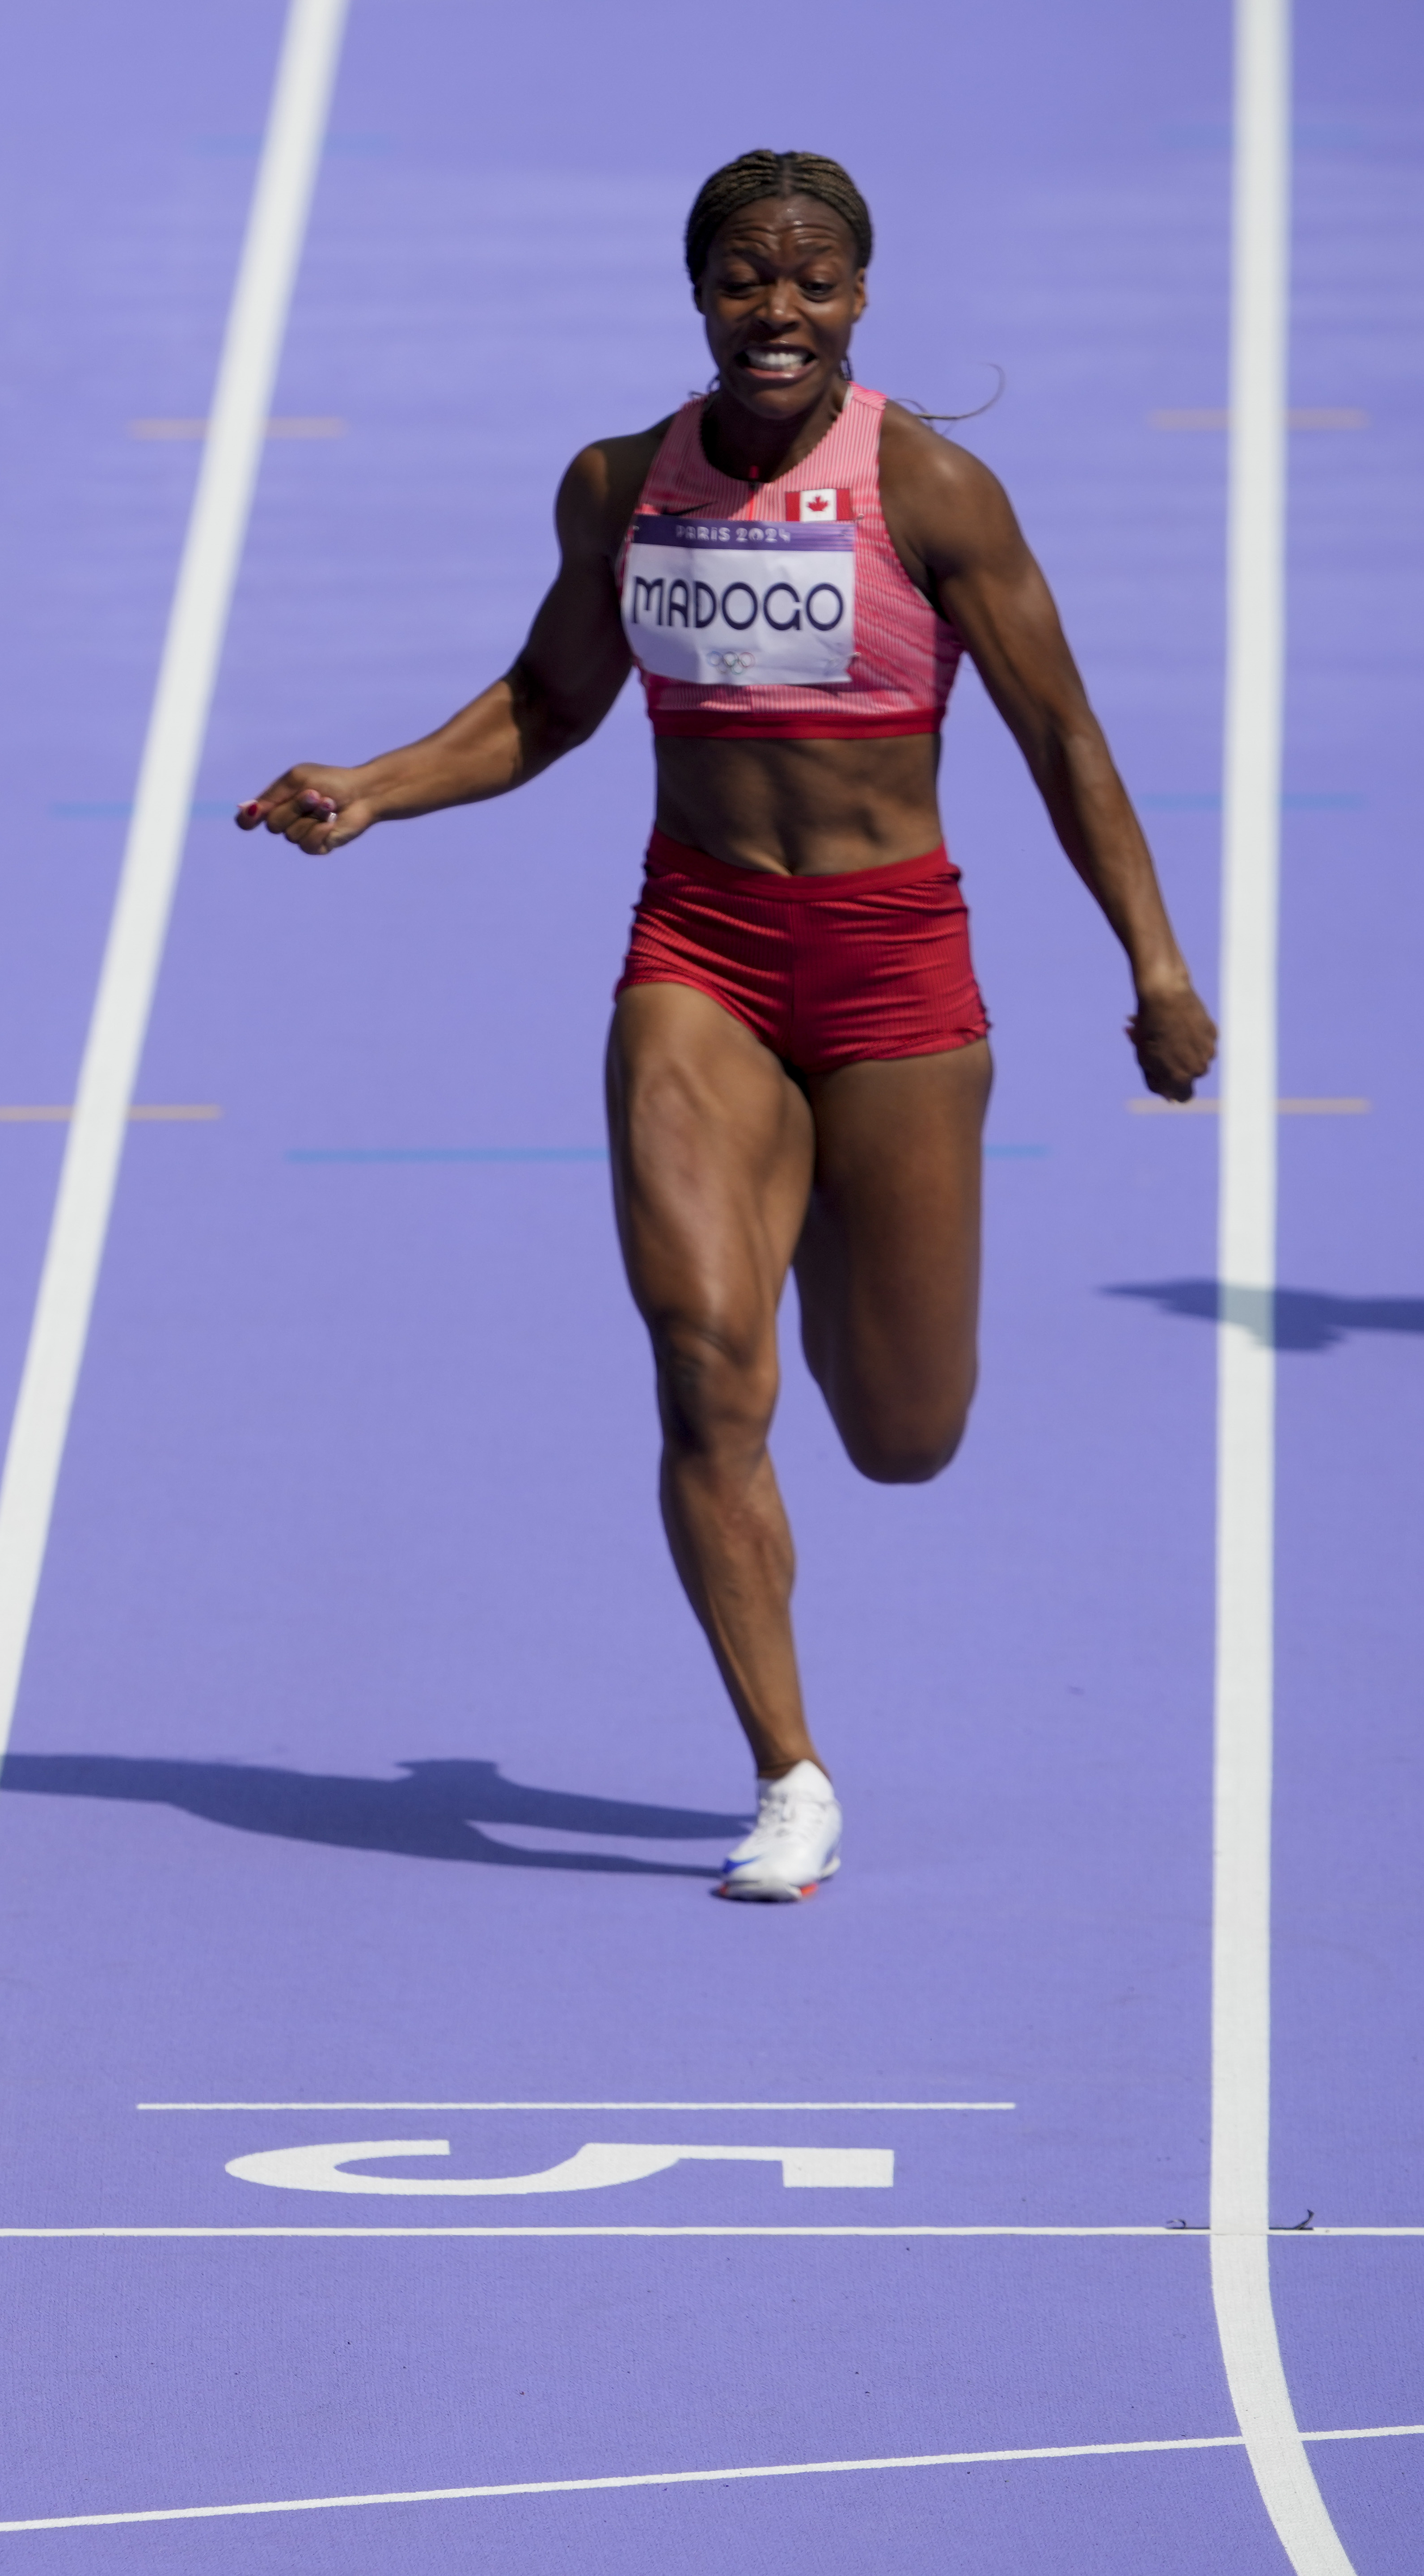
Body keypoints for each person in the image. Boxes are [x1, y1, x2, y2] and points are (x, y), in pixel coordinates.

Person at [233, 149, 1216, 1900]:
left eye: (813, 282)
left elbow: (1064, 740)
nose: (779, 311)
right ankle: (790, 1773)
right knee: (704, 1372)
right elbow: (553, 698)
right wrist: (376, 787)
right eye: (747, 280)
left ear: (858, 301)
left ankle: (842, 1248)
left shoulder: (934, 491)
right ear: (700, 295)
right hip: (699, 958)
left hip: (897, 971)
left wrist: (1154, 965)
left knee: (903, 1434)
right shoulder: (622, 486)